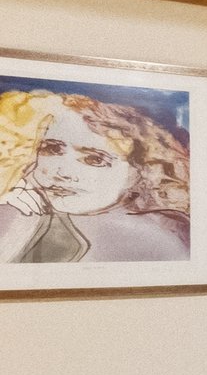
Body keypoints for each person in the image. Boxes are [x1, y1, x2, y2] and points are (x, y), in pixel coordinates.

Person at [0, 89, 192, 265]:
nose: (61, 172)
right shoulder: (23, 211)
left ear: (140, 172)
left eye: (94, 159)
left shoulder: (153, 240)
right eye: (52, 148)